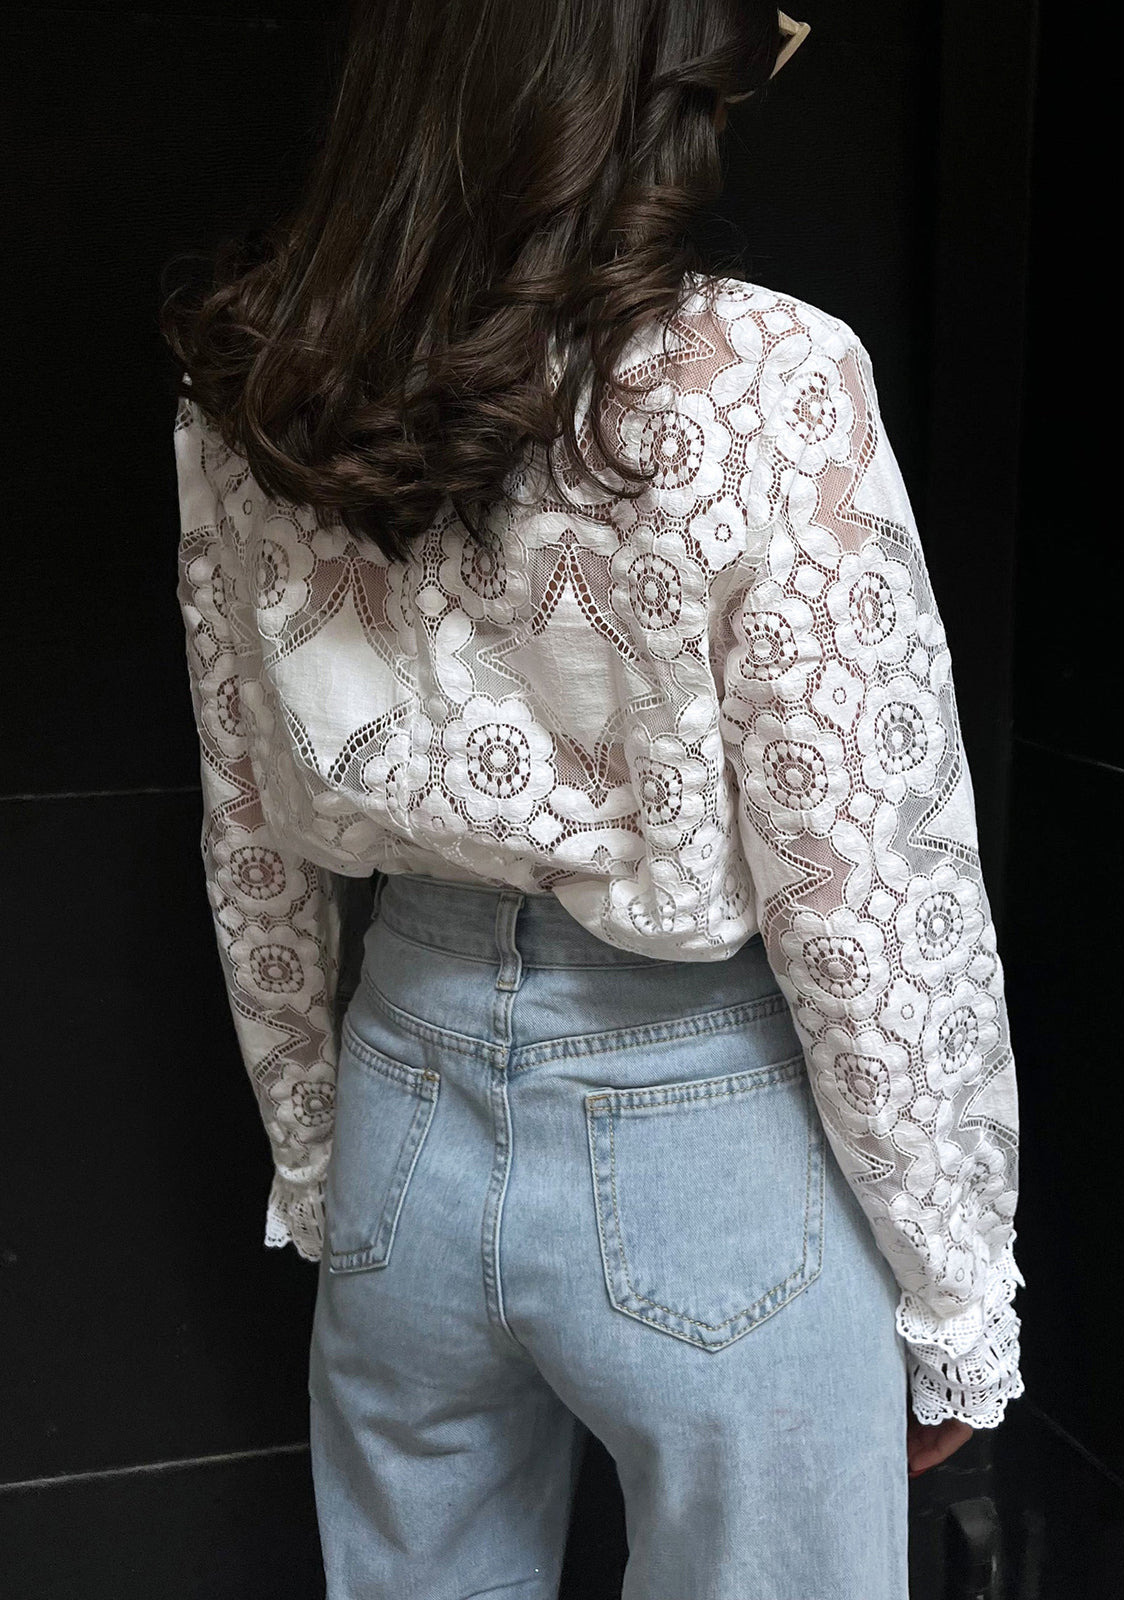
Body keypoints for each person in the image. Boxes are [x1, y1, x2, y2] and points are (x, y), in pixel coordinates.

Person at [163, 3, 1024, 1596]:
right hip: (706, 1127)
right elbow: (867, 881)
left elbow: (250, 832)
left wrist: (323, 1158)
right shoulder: (763, 376)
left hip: (401, 1097)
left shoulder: (253, 392)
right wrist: (957, 1286)